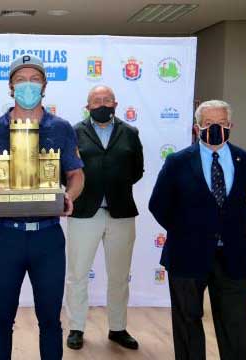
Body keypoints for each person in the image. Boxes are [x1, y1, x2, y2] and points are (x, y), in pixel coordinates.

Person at [0, 55, 85, 360]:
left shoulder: (61, 128)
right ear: (10, 86)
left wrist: (70, 195)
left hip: (48, 238)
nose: (28, 85)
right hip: (7, 237)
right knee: (2, 319)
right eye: (21, 80)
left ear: (44, 85)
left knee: (50, 320)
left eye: (35, 79)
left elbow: (76, 174)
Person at [149, 100, 246, 360]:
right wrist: (187, 231)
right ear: (197, 128)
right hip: (187, 255)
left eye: (220, 123)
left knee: (235, 325)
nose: (215, 128)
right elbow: (159, 204)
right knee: (187, 323)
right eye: (208, 124)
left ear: (231, 125)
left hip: (232, 257)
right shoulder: (178, 162)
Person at [65, 85, 144, 351]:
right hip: (84, 212)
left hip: (121, 213)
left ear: (115, 104)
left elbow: (137, 170)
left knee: (120, 276)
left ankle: (118, 328)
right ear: (87, 106)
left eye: (107, 100)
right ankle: (76, 327)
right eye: (96, 100)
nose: (102, 104)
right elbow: (66, 169)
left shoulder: (130, 133)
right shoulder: (74, 132)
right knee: (77, 275)